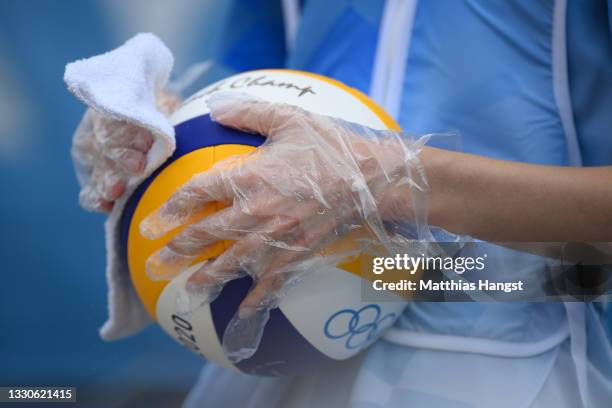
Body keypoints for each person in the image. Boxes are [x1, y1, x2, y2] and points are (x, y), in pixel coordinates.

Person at [71, 1, 612, 407]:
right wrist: (172, 141)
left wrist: (386, 178)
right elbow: (263, 95)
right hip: (281, 362)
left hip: (524, 358)